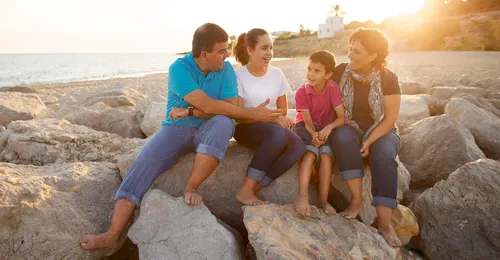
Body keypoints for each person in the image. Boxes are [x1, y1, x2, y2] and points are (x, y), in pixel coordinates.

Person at [80, 23, 283, 251]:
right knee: (140, 169)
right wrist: (252, 113)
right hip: (175, 130)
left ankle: (191, 187)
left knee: (224, 123)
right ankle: (112, 234)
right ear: (204, 55)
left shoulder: (225, 69)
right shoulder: (179, 69)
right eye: (221, 51)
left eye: (226, 49)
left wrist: (190, 110)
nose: (227, 55)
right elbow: (213, 104)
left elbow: (229, 108)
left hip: (209, 128)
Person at [330, 27, 402, 247]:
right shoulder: (340, 71)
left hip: (382, 130)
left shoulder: (388, 78)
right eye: (350, 49)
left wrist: (370, 140)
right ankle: (356, 200)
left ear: (373, 56)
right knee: (341, 137)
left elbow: (390, 119)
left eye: (357, 52)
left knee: (383, 155)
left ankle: (385, 222)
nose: (350, 55)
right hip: (349, 126)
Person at [231, 28, 306, 206]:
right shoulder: (237, 76)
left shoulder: (277, 74)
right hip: (246, 127)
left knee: (298, 147)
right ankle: (247, 186)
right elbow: (238, 114)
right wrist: (267, 117)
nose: (269, 53)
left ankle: (254, 188)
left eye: (271, 48)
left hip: (274, 127)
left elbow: (283, 110)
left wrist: (274, 118)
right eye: (264, 48)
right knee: (278, 135)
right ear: (250, 50)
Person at [293, 50, 345, 217]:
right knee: (310, 153)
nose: (311, 74)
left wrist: (329, 128)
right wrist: (314, 135)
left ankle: (323, 200)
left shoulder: (333, 88)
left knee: (326, 156)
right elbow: (307, 122)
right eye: (309, 69)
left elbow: (341, 118)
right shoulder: (302, 92)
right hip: (306, 127)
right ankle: (302, 195)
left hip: (325, 127)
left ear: (328, 74)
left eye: (317, 71)